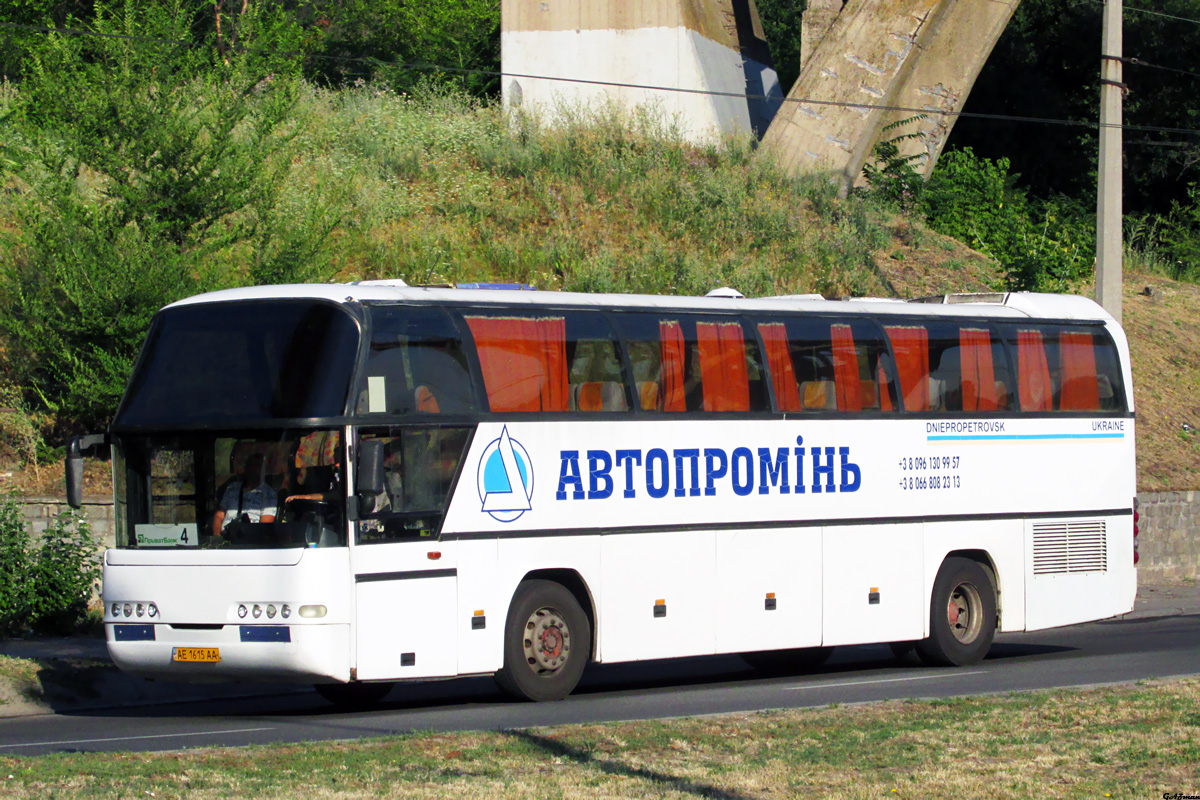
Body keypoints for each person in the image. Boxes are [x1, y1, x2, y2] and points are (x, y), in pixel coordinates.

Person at [211, 451, 277, 538]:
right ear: (246, 467)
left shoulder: (269, 494)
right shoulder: (232, 488)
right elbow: (219, 515)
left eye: (258, 465)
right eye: (252, 465)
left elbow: (264, 527)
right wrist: (217, 538)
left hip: (248, 541)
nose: (254, 469)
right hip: (224, 537)